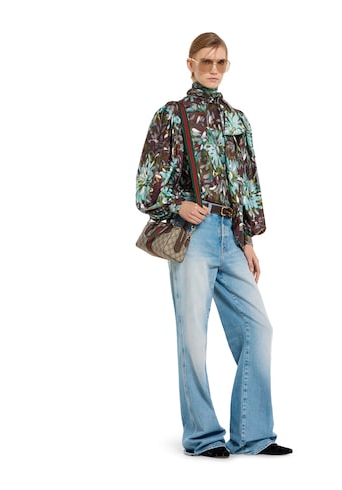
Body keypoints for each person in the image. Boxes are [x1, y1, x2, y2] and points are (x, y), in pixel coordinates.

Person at [136, 32, 292, 458]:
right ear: (190, 64)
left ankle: (253, 435)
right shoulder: (172, 115)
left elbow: (247, 184)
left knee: (258, 328)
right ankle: (203, 437)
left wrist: (247, 240)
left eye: (221, 62)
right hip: (195, 235)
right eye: (206, 61)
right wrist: (179, 205)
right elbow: (146, 186)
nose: (213, 69)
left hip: (231, 236)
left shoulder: (238, 120)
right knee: (193, 337)